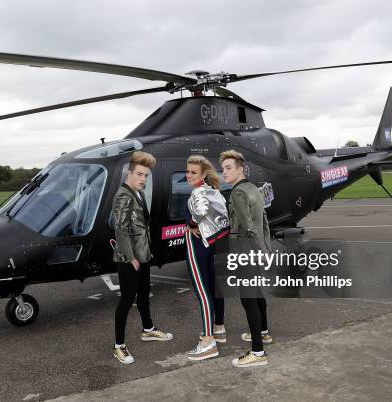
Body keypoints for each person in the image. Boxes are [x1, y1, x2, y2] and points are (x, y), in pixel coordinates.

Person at [112, 151, 173, 364]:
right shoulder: (123, 195)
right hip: (129, 258)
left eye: (146, 175)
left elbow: (140, 225)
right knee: (127, 300)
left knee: (144, 294)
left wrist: (145, 251)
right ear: (129, 173)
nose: (143, 179)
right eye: (139, 174)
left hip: (142, 254)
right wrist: (131, 258)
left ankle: (147, 329)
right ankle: (118, 345)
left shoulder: (137, 192)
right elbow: (121, 229)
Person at [220, 149, 273, 368]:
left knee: (248, 299)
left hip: (245, 252)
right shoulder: (253, 188)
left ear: (240, 169)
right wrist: (266, 250)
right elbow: (264, 223)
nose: (224, 172)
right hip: (255, 250)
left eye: (228, 168)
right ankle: (263, 332)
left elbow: (249, 228)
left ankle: (258, 352)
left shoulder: (237, 193)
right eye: (222, 168)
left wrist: (260, 251)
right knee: (257, 293)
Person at [184, 155, 230, 361]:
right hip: (215, 243)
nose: (189, 175)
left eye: (193, 172)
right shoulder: (215, 191)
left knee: (202, 291)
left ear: (203, 174)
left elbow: (201, 212)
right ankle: (218, 329)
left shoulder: (198, 192)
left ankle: (208, 342)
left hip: (199, 245)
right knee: (214, 288)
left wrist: (192, 224)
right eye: (187, 172)